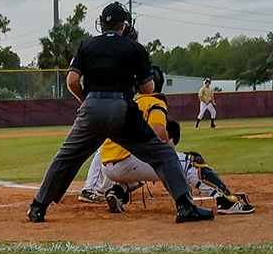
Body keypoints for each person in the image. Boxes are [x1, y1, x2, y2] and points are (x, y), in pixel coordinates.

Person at [27, 2, 211, 224]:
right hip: (122, 109)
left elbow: (72, 81)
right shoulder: (135, 48)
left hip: (92, 107)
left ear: (101, 24)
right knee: (163, 154)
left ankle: (38, 207)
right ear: (123, 26)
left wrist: (87, 101)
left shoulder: (86, 45)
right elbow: (148, 89)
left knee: (66, 157)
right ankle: (185, 206)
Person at [96, 69, 254, 215]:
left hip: (108, 165)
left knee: (153, 165)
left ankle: (117, 192)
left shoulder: (129, 100)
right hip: (127, 161)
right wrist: (167, 148)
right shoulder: (153, 101)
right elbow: (157, 132)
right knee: (191, 162)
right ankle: (226, 201)